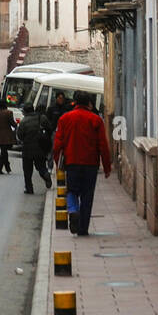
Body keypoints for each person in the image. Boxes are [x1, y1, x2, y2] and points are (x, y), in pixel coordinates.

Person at [52, 91, 111, 236]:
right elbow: (103, 145)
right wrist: (107, 166)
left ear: (75, 102)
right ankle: (83, 228)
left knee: (72, 190)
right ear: (89, 104)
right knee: (87, 195)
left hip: (72, 162)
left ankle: (72, 211)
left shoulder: (65, 119)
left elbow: (57, 143)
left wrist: (57, 161)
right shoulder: (96, 120)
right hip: (91, 164)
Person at [17, 102, 53, 194]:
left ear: (25, 111)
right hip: (40, 147)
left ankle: (29, 188)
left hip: (27, 149)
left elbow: (20, 135)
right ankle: (45, 175)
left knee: (27, 170)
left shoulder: (24, 121)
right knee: (41, 166)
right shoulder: (42, 117)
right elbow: (50, 128)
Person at [0, 98, 16, 174]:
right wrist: (16, 125)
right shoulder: (9, 112)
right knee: (4, 152)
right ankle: (0, 168)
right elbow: (13, 123)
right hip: (7, 134)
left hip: (0, 134)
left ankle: (5, 168)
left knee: (3, 151)